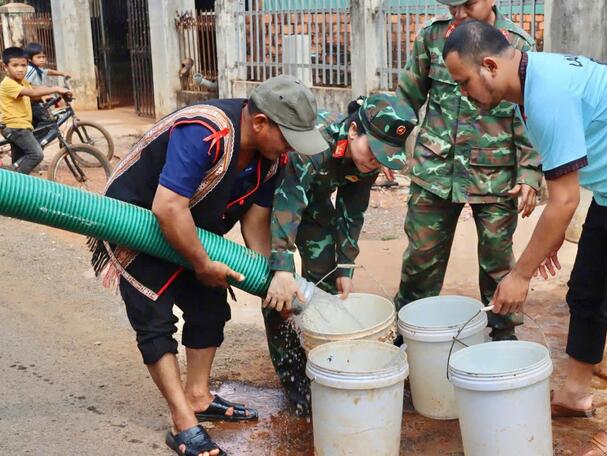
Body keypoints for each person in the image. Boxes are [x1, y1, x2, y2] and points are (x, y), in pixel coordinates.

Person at [443, 19, 607, 455]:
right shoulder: (529, 80)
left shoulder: (547, 93)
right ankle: (575, 394)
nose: (463, 93)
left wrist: (520, 273)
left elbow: (563, 201)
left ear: (489, 65)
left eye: (464, 81)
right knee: (585, 289)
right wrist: (543, 244)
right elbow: (564, 191)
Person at [89, 75, 328, 456]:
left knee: (210, 308)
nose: (292, 149)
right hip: (138, 227)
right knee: (155, 321)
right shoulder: (205, 130)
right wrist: (202, 263)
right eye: (288, 137)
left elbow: (256, 218)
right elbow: (167, 207)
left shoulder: (270, 157)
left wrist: (269, 276)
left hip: (192, 229)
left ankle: (198, 395)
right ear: (261, 122)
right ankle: (183, 421)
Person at [394, 0, 542, 342]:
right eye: (451, 6)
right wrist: (385, 146)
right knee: (421, 259)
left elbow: (530, 113)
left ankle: (503, 335)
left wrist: (530, 172)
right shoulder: (433, 37)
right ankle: (409, 332)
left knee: (497, 262)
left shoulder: (515, 44)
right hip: (435, 171)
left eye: (466, 5)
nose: (457, 14)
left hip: (495, 176)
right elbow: (407, 98)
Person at [262, 93, 417, 414]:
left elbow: (352, 209)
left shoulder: (365, 158)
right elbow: (289, 201)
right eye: (373, 153)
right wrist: (281, 265)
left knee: (325, 288)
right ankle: (292, 376)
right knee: (279, 291)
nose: (375, 162)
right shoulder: (314, 144)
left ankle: (325, 366)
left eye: (383, 157)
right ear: (353, 132)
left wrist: (345, 265)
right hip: (269, 195)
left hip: (315, 201)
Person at [0, 46, 70, 174]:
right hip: (16, 127)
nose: (20, 69)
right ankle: (14, 183)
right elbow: (32, 93)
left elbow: (35, 91)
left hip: (22, 126)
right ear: (5, 67)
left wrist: (55, 95)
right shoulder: (8, 83)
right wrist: (56, 88)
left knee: (19, 161)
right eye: (15, 65)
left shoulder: (22, 82)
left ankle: (13, 188)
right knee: (36, 154)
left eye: (23, 65)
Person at [23, 41, 70, 127]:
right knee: (46, 122)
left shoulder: (38, 69)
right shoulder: (31, 69)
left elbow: (48, 71)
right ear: (29, 59)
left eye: (43, 57)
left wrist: (62, 73)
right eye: (38, 57)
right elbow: (25, 85)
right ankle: (37, 139)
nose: (42, 59)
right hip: (30, 103)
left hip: (36, 101)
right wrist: (43, 91)